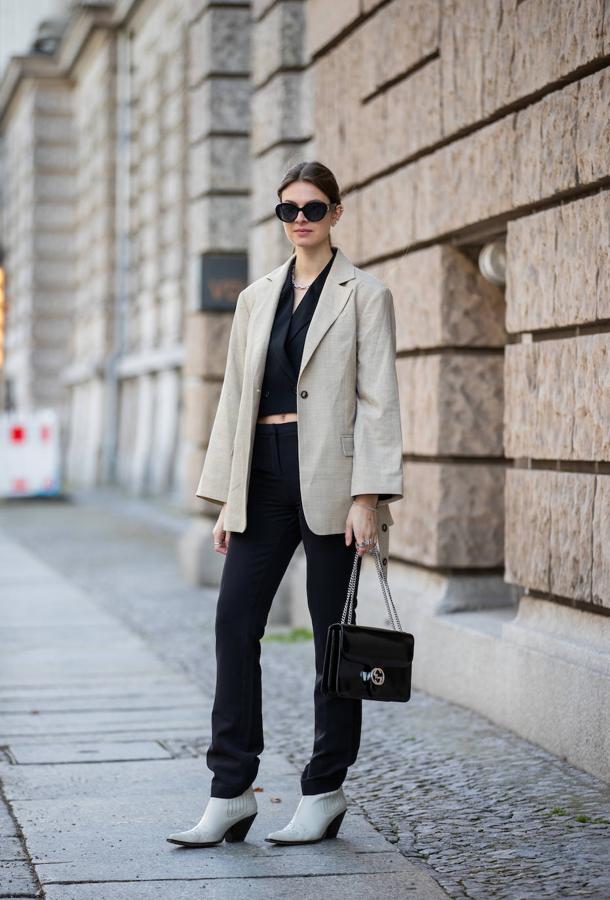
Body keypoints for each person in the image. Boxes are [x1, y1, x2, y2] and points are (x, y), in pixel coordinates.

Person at [167, 161, 403, 848]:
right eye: (288, 209)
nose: (300, 219)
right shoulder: (255, 298)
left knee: (334, 640)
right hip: (262, 478)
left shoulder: (366, 295)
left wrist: (367, 496)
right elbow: (234, 401)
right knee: (234, 623)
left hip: (333, 480)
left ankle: (324, 790)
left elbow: (379, 401)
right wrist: (225, 499)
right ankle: (230, 791)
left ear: (336, 213)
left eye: (313, 207)